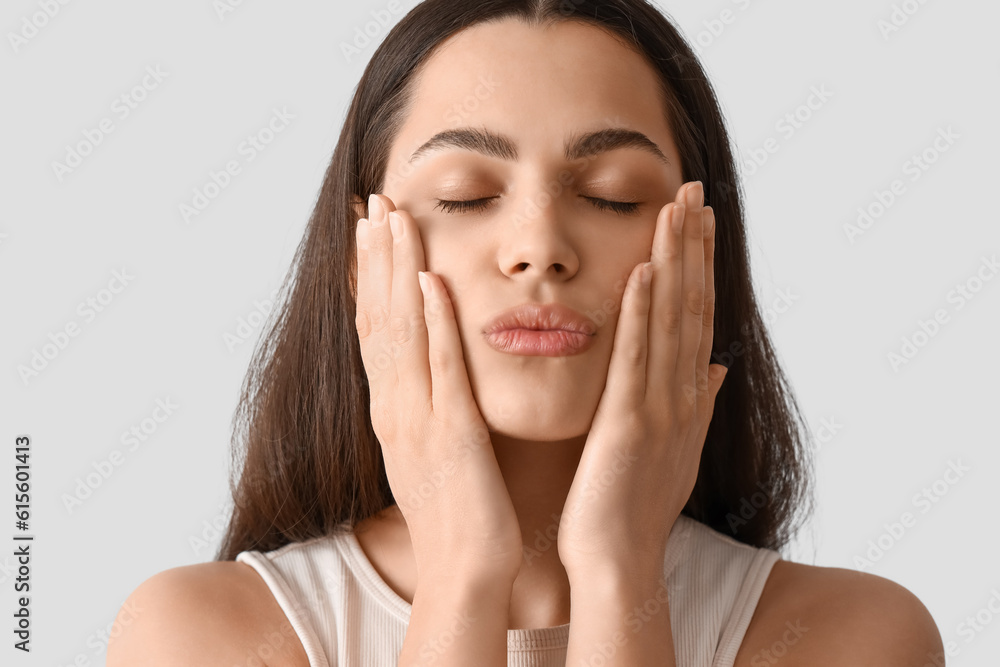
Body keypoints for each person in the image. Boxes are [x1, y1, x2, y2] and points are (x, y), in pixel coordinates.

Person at [108, 1, 945, 664]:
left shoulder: (855, 637)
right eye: (468, 194)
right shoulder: (200, 636)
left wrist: (618, 572)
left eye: (615, 193)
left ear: (703, 251)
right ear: (364, 261)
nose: (539, 248)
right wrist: (463, 575)